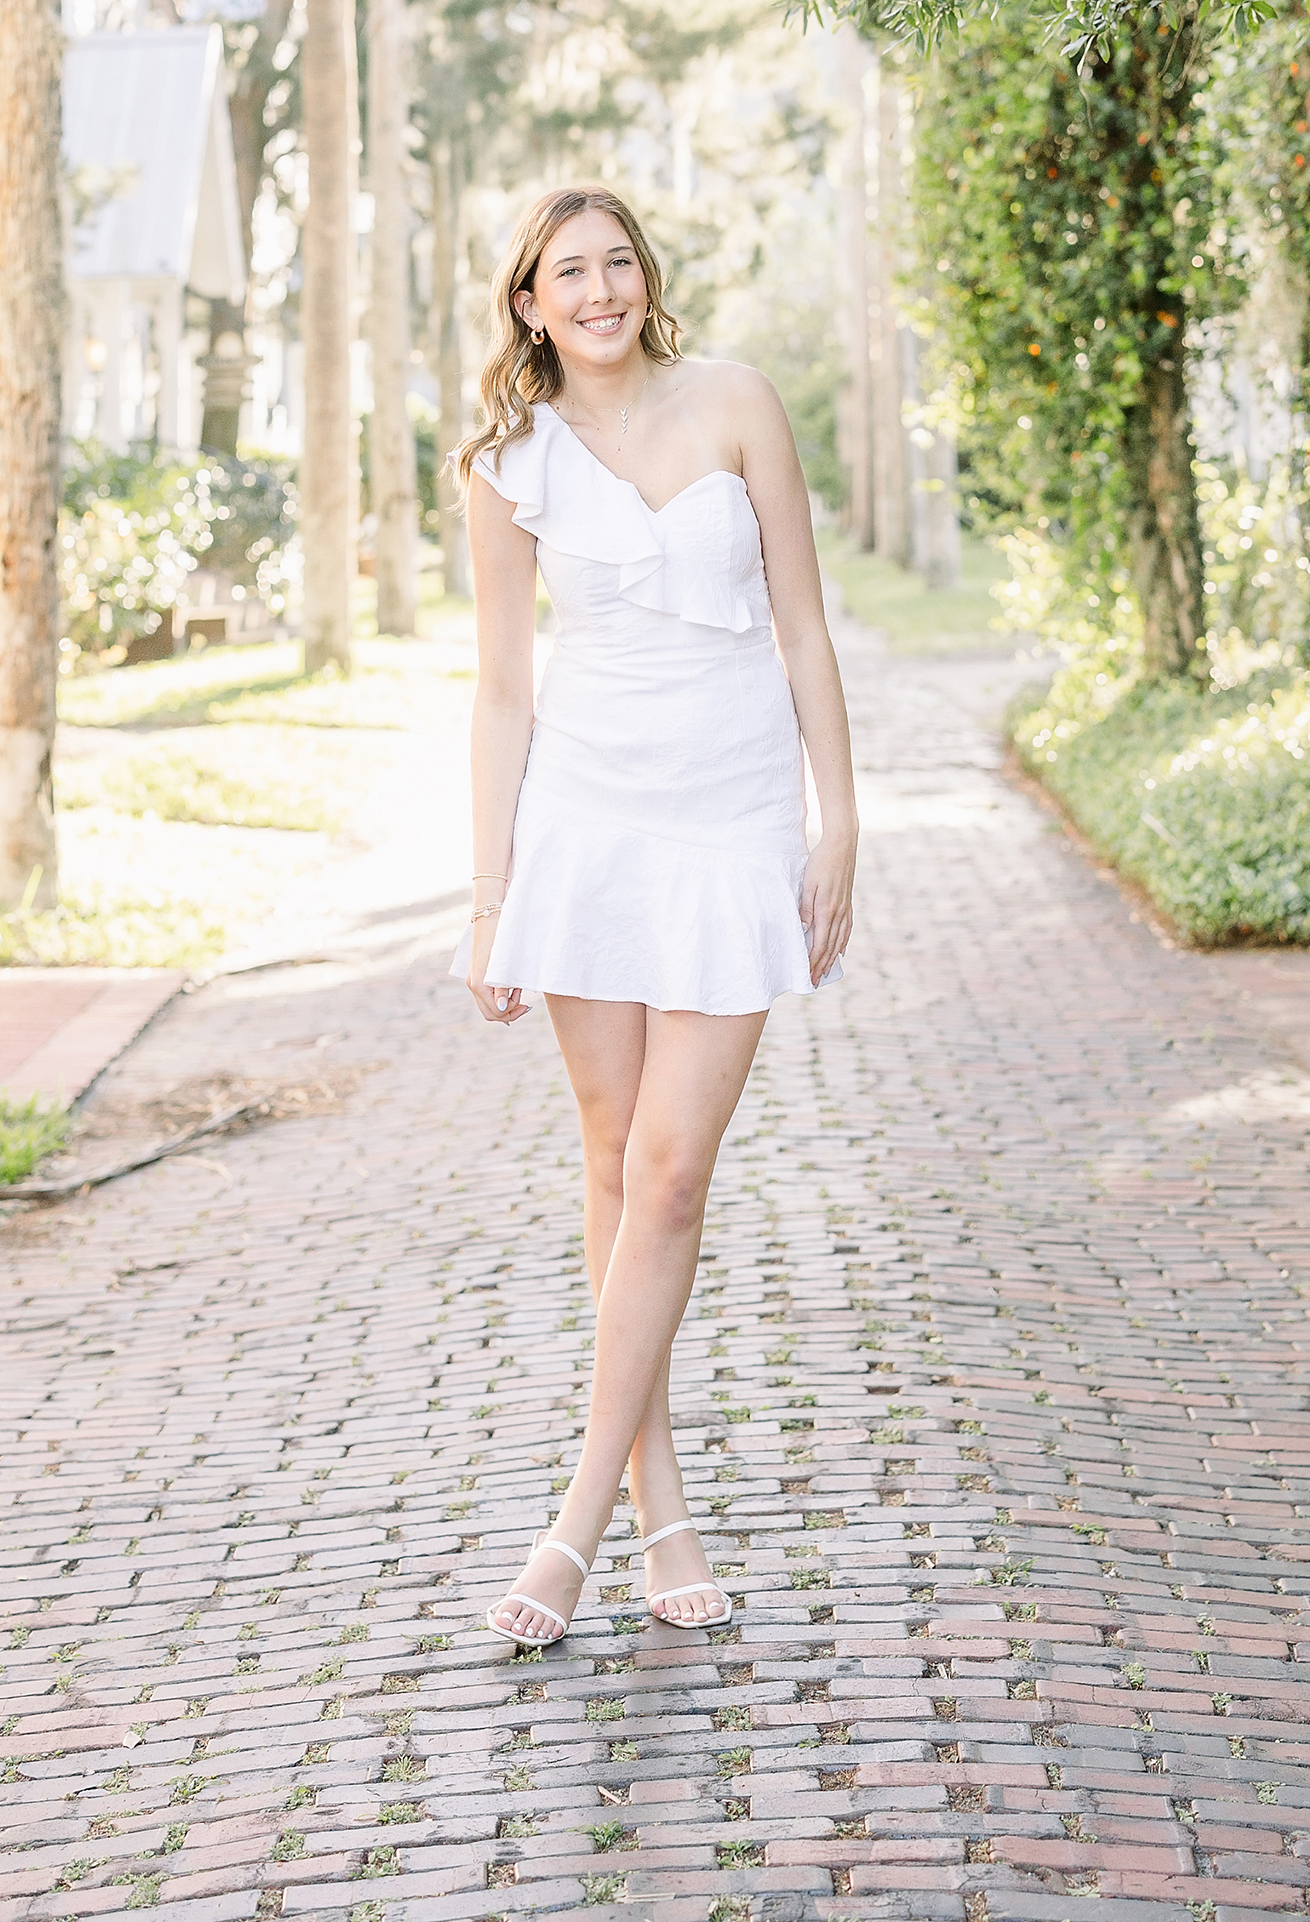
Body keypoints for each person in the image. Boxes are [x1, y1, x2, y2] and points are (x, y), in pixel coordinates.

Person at [450, 183, 857, 1646]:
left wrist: (838, 820)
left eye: (619, 263)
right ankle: (656, 1489)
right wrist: (494, 890)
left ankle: (571, 1523)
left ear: (645, 279)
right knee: (617, 1160)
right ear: (529, 303)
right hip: (589, 824)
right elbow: (502, 690)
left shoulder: (737, 401)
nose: (604, 289)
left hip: (732, 815)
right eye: (572, 272)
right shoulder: (507, 458)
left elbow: (804, 625)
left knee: (675, 1169)